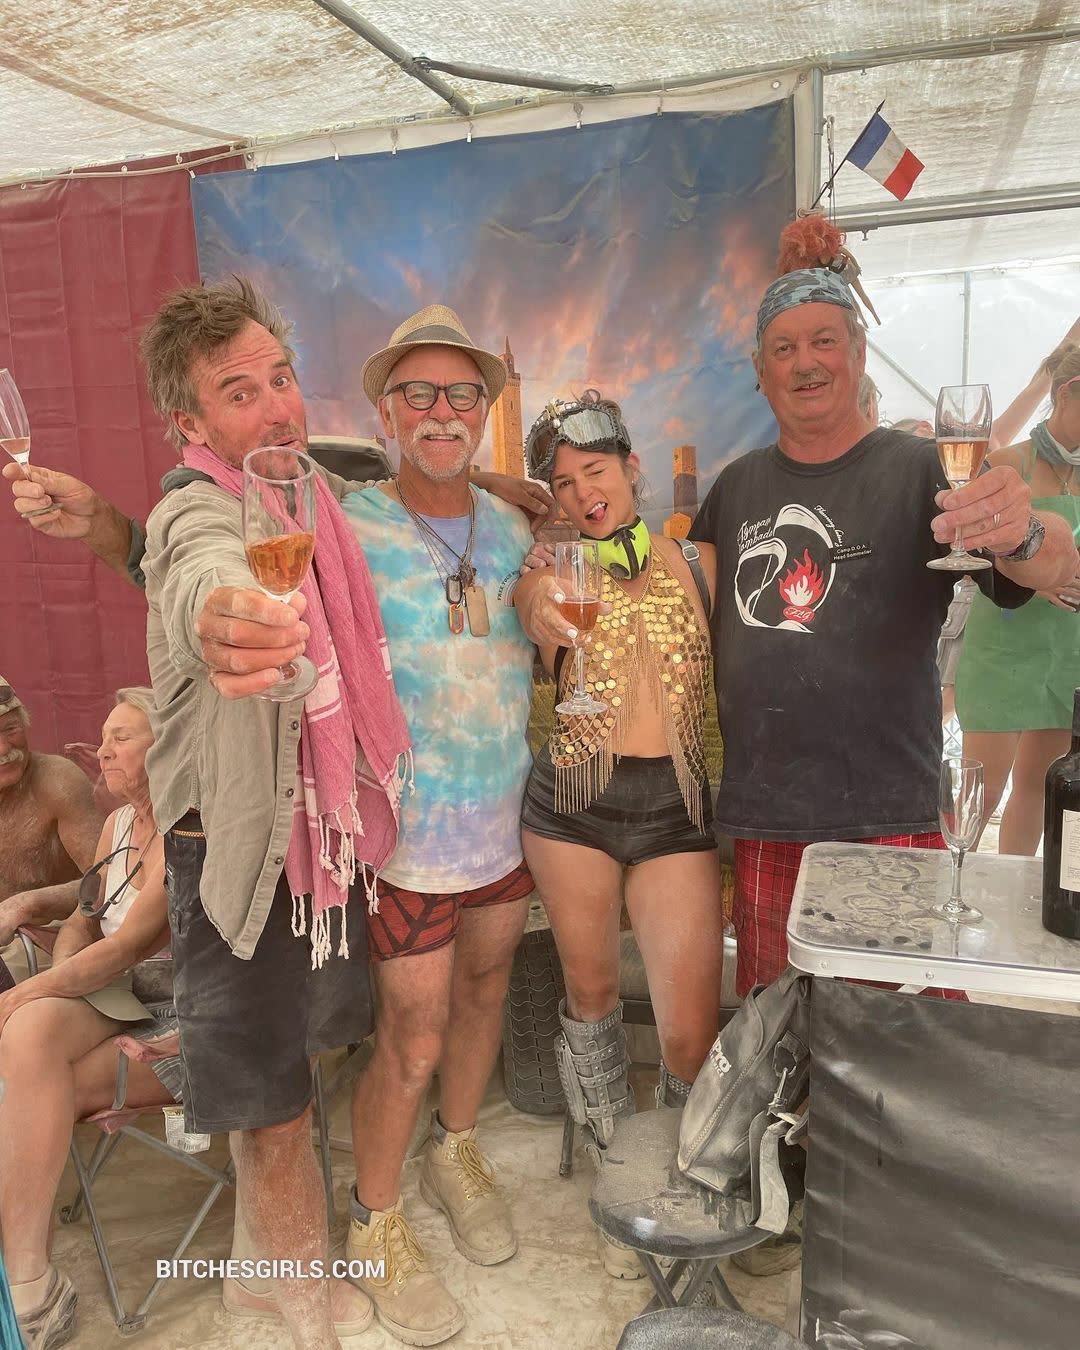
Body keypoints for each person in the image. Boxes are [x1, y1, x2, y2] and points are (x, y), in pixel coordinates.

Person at [3, 291, 553, 1349]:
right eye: (239, 393)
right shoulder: (202, 510)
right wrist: (228, 619)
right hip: (242, 855)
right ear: (192, 425)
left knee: (298, 1073)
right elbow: (198, 569)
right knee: (276, 1102)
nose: (276, 408)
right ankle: (305, 1306)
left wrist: (489, 479)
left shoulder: (312, 493)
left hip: (319, 837)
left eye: (281, 379)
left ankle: (261, 1278)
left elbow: (405, 480)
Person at [686, 214, 1078, 1003]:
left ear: (858, 354)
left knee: (900, 1033)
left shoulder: (922, 467)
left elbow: (1053, 565)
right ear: (759, 372)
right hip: (767, 815)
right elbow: (685, 598)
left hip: (889, 814)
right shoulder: (734, 487)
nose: (805, 362)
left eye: (824, 341)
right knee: (780, 1030)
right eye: (783, 349)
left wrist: (1027, 529)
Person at [512, 392, 724, 1277]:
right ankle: (616, 1173)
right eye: (563, 483)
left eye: (594, 471)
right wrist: (540, 602)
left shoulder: (700, 561)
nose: (582, 492)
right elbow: (535, 608)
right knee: (592, 992)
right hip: (574, 802)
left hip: (676, 807)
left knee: (689, 1034)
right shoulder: (553, 569)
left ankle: (679, 1179)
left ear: (633, 468)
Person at [0, 688, 180, 1350]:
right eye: (104, 737)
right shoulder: (119, 824)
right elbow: (85, 916)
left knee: (23, 1037)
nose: (101, 750)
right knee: (28, 1030)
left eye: (120, 738)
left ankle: (23, 1280)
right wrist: (59, 983)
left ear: (166, 749)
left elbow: (130, 944)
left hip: (171, 1002)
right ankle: (28, 1277)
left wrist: (37, 989)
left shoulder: (184, 830)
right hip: (114, 989)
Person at [955, 342, 1080, 854]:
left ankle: (1018, 890)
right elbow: (971, 557)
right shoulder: (1006, 464)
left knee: (1039, 790)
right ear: (1067, 394)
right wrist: (1037, 576)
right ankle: (954, 881)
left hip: (1066, 652)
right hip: (1003, 648)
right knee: (979, 795)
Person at [0, 679, 103, 950]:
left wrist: (25, 904)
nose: (4, 749)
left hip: (50, 941)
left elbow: (107, 881)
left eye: (11, 729)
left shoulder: (58, 782)